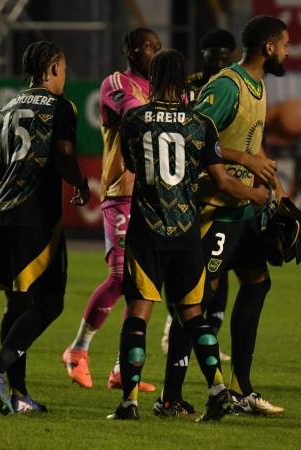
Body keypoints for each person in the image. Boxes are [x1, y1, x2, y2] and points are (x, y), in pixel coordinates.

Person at [107, 49, 268, 421]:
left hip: (147, 232)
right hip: (186, 235)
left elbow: (131, 166)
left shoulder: (135, 119)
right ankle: (217, 391)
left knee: (138, 316)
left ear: (155, 76)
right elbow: (222, 180)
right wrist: (257, 195)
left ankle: (129, 403)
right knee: (195, 315)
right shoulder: (200, 124)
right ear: (182, 81)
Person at [160, 15, 289, 417]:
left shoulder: (258, 86)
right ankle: (170, 397)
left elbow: (248, 141)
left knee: (257, 281)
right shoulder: (226, 85)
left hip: (242, 207)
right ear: (268, 47)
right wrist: (246, 161)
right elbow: (192, 136)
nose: (287, 51)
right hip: (214, 210)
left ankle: (241, 388)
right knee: (197, 296)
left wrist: (272, 181)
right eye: (284, 44)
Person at [0, 41, 90, 415]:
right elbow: (64, 155)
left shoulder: (6, 109)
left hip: (5, 217)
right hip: (38, 221)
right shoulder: (61, 106)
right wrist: (81, 184)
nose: (65, 77)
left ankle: (18, 393)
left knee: (17, 302)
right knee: (50, 303)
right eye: (65, 69)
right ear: (53, 68)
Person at [62, 27, 159, 392]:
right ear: (130, 50)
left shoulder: (165, 91)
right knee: (120, 277)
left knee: (141, 285)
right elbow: (137, 117)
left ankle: (122, 368)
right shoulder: (116, 83)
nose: (152, 52)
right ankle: (78, 350)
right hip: (122, 190)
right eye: (147, 46)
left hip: (153, 196)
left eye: (157, 48)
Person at [161, 28, 237, 362]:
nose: (219, 63)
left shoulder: (234, 86)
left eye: (225, 57)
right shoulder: (189, 87)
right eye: (213, 56)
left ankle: (201, 336)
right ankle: (177, 326)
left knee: (220, 272)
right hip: (194, 188)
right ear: (203, 54)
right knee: (196, 269)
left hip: (222, 185)